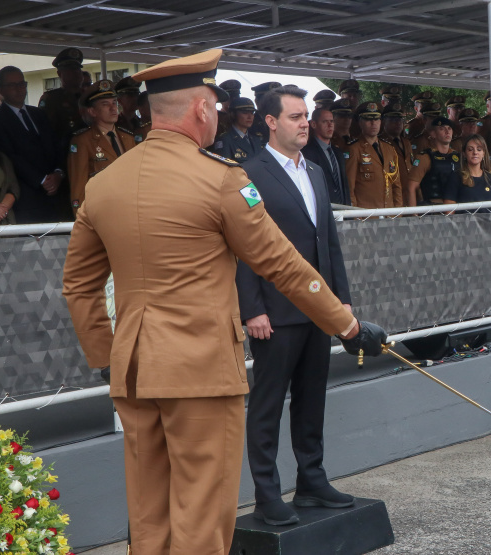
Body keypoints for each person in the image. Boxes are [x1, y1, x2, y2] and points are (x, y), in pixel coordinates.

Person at [61, 49, 386, 554]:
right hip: (200, 372)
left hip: (133, 368)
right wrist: (346, 325)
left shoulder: (104, 185)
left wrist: (105, 355)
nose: (217, 113)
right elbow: (282, 264)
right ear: (200, 109)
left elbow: (79, 286)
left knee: (150, 516)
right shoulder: (221, 180)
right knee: (202, 519)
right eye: (214, 104)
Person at [236, 84, 357, 527]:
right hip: (275, 311)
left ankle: (312, 480)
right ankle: (267, 494)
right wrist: (251, 309)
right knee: (268, 405)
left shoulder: (317, 171)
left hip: (318, 308)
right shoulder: (248, 173)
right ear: (270, 122)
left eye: (306, 115)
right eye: (295, 116)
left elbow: (329, 243)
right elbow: (243, 248)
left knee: (312, 400)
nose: (305, 122)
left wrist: (340, 303)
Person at [0, 65, 66, 223]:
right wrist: (42, 180)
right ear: (0, 89)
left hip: (55, 197)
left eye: (22, 84)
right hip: (26, 200)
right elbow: (9, 156)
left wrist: (58, 173)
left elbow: (56, 146)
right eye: (12, 85)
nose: (19, 89)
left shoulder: (38, 114)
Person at [67, 80, 138, 214]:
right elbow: (79, 186)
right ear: (92, 111)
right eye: (105, 104)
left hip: (129, 209)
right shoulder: (83, 141)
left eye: (114, 103)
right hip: (102, 212)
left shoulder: (128, 138)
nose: (113, 108)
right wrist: (82, 219)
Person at [345, 101, 402, 208]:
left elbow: (396, 185)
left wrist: (398, 213)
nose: (373, 123)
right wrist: (357, 217)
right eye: (368, 119)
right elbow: (350, 188)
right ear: (360, 122)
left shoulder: (389, 148)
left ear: (381, 121)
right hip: (366, 216)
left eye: (376, 119)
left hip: (389, 214)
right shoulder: (354, 149)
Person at [406, 116, 460, 206]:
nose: (447, 132)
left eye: (449, 128)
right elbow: (411, 187)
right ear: (433, 134)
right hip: (434, 208)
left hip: (456, 207)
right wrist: (414, 215)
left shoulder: (458, 156)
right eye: (442, 129)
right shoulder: (425, 157)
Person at [302, 106, 350, 205]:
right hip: (323, 210)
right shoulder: (307, 152)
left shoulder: (338, 152)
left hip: (344, 212)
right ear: (314, 124)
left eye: (332, 121)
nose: (330, 125)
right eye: (325, 122)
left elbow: (344, 185)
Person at [38, 47, 87, 140]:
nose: (76, 73)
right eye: (70, 70)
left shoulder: (89, 96)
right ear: (59, 73)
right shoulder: (51, 99)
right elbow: (45, 132)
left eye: (77, 69)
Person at [444, 134, 491, 205]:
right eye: (470, 149)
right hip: (464, 216)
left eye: (479, 149)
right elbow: (449, 207)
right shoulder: (456, 177)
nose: (475, 152)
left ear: (484, 153)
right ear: (464, 154)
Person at [379, 102, 413, 199]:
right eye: (393, 119)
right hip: (392, 196)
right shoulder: (381, 143)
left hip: (409, 195)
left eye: (400, 119)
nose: (398, 123)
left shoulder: (406, 142)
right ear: (384, 121)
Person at [213, 97, 260, 163]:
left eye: (252, 113)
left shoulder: (256, 140)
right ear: (233, 114)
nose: (250, 117)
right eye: (245, 112)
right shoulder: (225, 140)